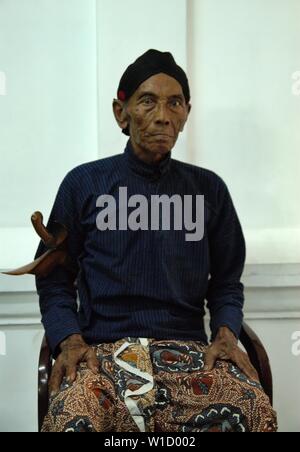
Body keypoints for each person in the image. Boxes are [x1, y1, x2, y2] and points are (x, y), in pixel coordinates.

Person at [36, 49, 277, 432]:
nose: (163, 115)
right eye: (147, 101)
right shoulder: (83, 185)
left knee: (252, 409)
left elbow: (228, 283)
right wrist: (69, 339)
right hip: (102, 355)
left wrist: (227, 332)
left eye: (174, 103)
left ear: (186, 113)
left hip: (190, 356)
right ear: (121, 111)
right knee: (73, 416)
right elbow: (52, 280)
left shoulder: (209, 190)